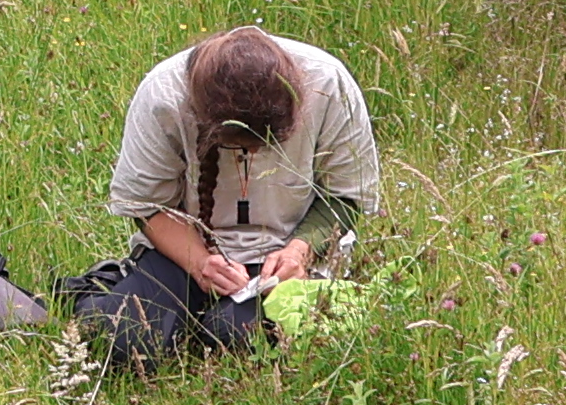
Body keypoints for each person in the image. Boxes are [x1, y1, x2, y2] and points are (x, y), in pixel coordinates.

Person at [69, 24, 378, 370]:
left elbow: (345, 197)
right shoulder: (163, 95)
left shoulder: (328, 84)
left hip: (285, 258)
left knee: (238, 338)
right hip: (181, 252)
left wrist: (299, 252)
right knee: (123, 342)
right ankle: (103, 288)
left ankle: (207, 318)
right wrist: (200, 262)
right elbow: (147, 206)